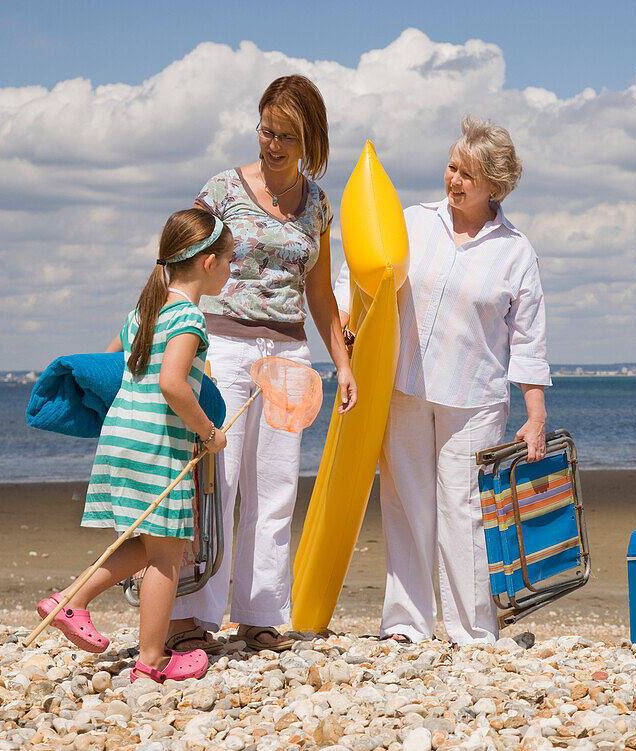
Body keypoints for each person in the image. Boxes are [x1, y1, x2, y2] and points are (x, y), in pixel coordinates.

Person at [335, 116, 551, 645]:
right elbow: (357, 272)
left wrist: (536, 413)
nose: (453, 179)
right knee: (406, 505)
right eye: (452, 166)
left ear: (494, 187)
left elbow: (528, 338)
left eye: (467, 175)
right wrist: (345, 323)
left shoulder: (516, 251)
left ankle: (472, 628)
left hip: (474, 398)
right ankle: (406, 624)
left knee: (468, 510)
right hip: (404, 385)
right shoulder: (412, 220)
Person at [166, 75, 356, 654]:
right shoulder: (222, 189)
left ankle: (260, 615)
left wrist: (342, 364)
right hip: (222, 348)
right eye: (265, 131)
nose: (270, 145)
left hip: (290, 355)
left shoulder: (319, 205)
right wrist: (155, 327)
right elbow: (178, 258)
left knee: (274, 490)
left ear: (309, 142)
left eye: (285, 137)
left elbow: (321, 297)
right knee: (216, 482)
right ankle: (191, 615)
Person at [37, 209, 233, 683]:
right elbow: (173, 385)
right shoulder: (188, 318)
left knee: (146, 543)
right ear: (206, 263)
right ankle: (151, 662)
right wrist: (210, 434)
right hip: (156, 444)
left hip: (122, 437)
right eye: (229, 259)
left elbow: (107, 367)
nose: (232, 269)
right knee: (167, 555)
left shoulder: (142, 313)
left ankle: (71, 600)